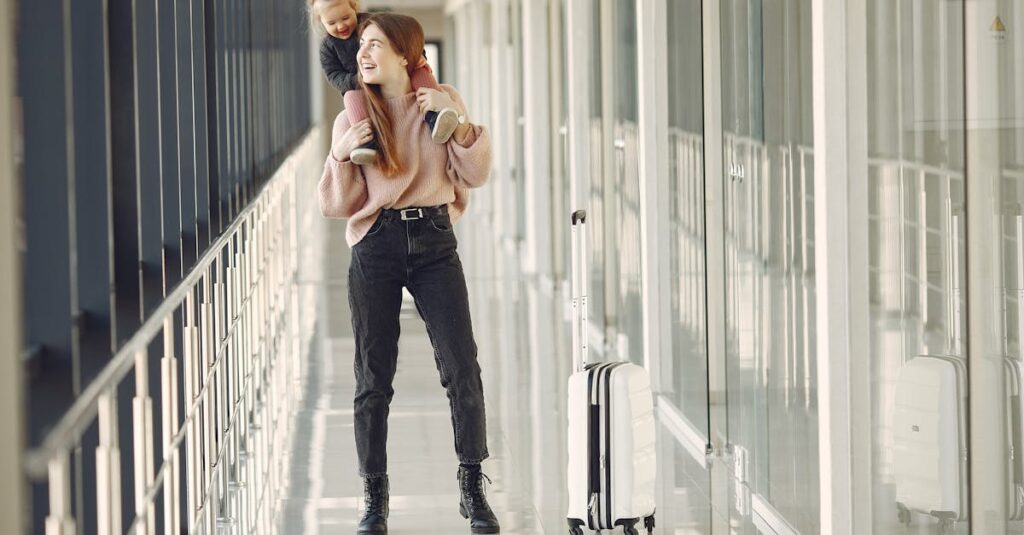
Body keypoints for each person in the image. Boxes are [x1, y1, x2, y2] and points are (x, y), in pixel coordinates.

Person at [317, 12, 500, 535]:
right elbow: (335, 202)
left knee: (462, 365)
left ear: (406, 54)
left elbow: (476, 173)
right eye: (361, 46)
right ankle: (374, 497)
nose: (363, 55)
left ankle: (472, 485)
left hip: (435, 241)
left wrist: (458, 124)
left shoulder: (439, 101)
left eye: (375, 45)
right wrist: (340, 153)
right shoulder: (353, 118)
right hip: (375, 245)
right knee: (372, 378)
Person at [308, 0, 461, 165]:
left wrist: (418, 55)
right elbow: (334, 76)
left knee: (420, 71)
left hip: (390, 73)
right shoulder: (327, 47)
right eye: (331, 23)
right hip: (358, 85)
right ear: (321, 22)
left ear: (354, 8)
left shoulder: (373, 23)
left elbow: (404, 37)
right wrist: (358, 80)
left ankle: (435, 115)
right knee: (351, 97)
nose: (340, 26)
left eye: (345, 17)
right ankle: (368, 142)